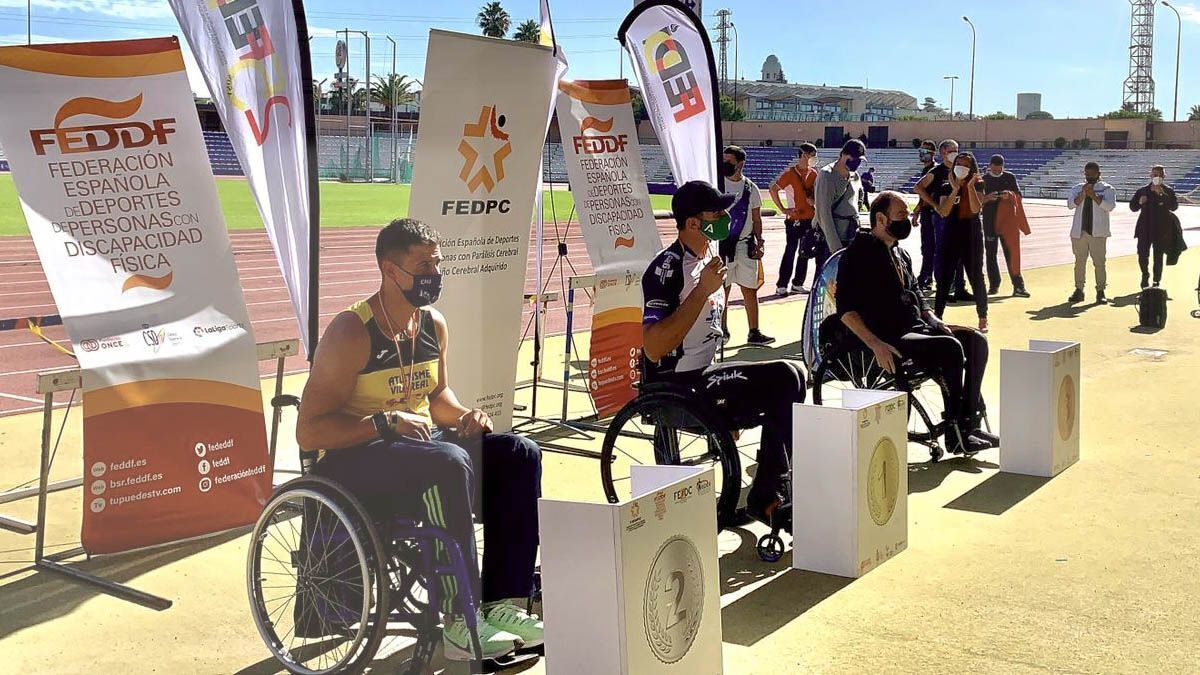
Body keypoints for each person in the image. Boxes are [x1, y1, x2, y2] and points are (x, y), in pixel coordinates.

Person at [296, 219, 544, 661]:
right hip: (356, 460)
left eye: (438, 263)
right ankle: (458, 620)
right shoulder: (351, 331)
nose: (435, 274)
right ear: (390, 270)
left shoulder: (432, 323)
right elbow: (310, 431)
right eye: (424, 266)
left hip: (418, 448)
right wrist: (382, 423)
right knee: (446, 462)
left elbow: (438, 397)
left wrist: (465, 415)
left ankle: (502, 603)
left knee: (518, 453)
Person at [642, 180, 807, 527]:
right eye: (716, 214)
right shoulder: (666, 268)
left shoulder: (711, 256)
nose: (725, 219)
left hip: (708, 373)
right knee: (784, 375)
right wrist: (702, 291)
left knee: (793, 375)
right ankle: (770, 495)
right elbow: (654, 347)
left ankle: (774, 488)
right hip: (679, 382)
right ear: (693, 223)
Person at [835, 191, 998, 456]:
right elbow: (845, 309)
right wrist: (875, 344)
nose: (908, 220)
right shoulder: (858, 255)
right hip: (887, 334)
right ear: (880, 219)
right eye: (901, 215)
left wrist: (933, 318)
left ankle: (969, 421)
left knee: (976, 341)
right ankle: (956, 430)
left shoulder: (900, 253)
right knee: (950, 348)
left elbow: (916, 294)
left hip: (914, 327)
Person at [718, 145, 774, 346]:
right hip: (722, 246)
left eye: (729, 161)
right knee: (722, 290)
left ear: (740, 164)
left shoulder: (751, 188)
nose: (724, 164)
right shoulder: (717, 184)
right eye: (723, 160)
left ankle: (754, 331)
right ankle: (721, 330)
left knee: (750, 289)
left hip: (745, 245)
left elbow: (756, 219)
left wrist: (760, 242)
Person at [933, 152, 989, 332]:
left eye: (966, 164)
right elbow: (944, 211)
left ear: (971, 168)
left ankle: (982, 317)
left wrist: (969, 187)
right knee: (945, 277)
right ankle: (938, 316)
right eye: (959, 163)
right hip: (951, 232)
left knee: (976, 276)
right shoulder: (945, 186)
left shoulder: (978, 184)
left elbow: (975, 208)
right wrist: (955, 189)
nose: (961, 167)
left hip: (971, 234)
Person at [914, 139, 971, 301]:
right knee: (944, 252)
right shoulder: (937, 171)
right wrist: (934, 205)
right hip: (942, 218)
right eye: (952, 150)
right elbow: (918, 187)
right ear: (943, 153)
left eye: (956, 150)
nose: (955, 153)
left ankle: (959, 288)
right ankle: (944, 288)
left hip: (959, 216)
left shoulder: (960, 170)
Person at [769, 143, 819, 295]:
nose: (814, 159)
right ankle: (782, 284)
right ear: (803, 155)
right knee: (790, 250)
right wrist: (783, 209)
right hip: (794, 219)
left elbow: (816, 194)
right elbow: (773, 189)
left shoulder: (814, 174)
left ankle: (798, 283)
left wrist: (813, 201)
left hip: (809, 218)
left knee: (805, 251)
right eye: (812, 155)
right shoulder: (790, 174)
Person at [980, 154, 1029, 297]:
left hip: (1007, 222)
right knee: (991, 254)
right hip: (990, 221)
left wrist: (1009, 195)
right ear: (990, 166)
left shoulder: (1010, 177)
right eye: (994, 168)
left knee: (1011, 253)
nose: (997, 170)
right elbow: (977, 200)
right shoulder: (983, 179)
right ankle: (994, 285)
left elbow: (1019, 196)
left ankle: (1018, 285)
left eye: (999, 168)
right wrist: (988, 198)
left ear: (1003, 166)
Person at [813, 138, 866, 270]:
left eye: (859, 160)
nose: (856, 163)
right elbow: (823, 214)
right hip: (831, 240)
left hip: (851, 235)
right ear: (843, 154)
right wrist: (836, 249)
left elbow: (859, 198)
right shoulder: (827, 175)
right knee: (827, 278)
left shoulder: (855, 176)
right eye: (853, 158)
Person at [1067, 162, 1116, 304]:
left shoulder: (1107, 189)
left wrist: (1093, 195)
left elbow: (1109, 206)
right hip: (1080, 232)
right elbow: (1070, 205)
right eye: (1087, 174)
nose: (1089, 177)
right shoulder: (1077, 188)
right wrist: (1083, 194)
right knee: (1079, 262)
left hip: (1098, 233)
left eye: (1092, 174)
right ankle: (1079, 289)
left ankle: (1100, 291)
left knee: (1099, 263)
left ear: (1098, 174)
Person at [1130, 164, 1179, 289]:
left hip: (1161, 229)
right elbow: (1133, 207)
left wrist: (1162, 195)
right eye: (1155, 175)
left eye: (1160, 175)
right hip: (1144, 227)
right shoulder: (1142, 191)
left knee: (1158, 256)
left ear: (1164, 176)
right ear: (1150, 175)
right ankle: (1145, 275)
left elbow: (1174, 207)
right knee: (1142, 254)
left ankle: (1156, 280)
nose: (1158, 177)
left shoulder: (1168, 191)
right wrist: (1139, 202)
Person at [912, 140, 938, 290]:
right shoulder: (925, 170)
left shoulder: (933, 171)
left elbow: (928, 195)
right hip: (926, 212)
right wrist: (917, 211)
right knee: (927, 247)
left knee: (930, 247)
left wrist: (920, 209)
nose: (922, 154)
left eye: (925, 152)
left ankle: (926, 276)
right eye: (920, 151)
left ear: (933, 153)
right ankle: (927, 277)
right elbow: (923, 195)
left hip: (933, 213)